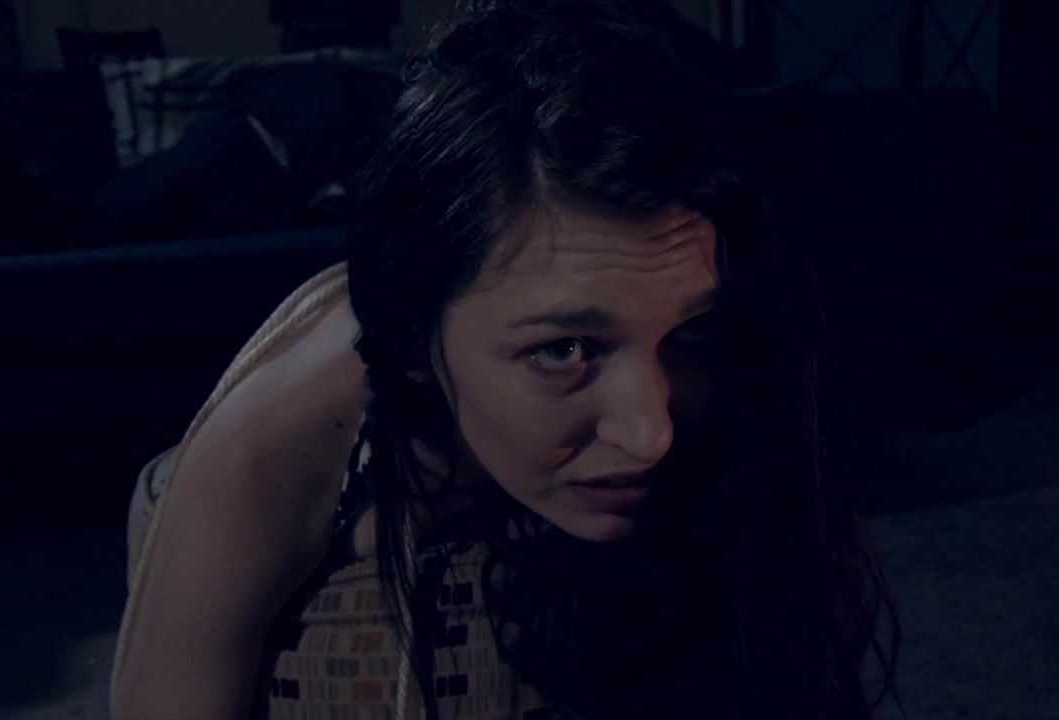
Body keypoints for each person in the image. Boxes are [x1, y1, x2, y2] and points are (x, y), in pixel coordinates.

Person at [110, 1, 902, 718]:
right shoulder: (266, 451)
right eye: (565, 350)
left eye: (690, 334)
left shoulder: (737, 337)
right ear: (412, 337)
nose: (651, 432)